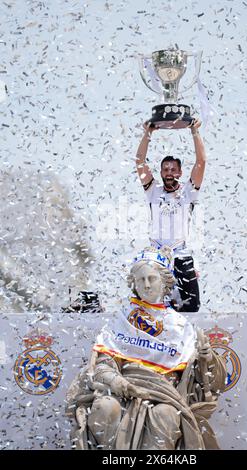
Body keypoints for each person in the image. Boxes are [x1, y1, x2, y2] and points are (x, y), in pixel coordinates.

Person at [66, 246, 226, 450]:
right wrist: (119, 383)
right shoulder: (121, 320)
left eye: (152, 278)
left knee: (166, 415)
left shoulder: (181, 326)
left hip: (165, 395)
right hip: (123, 391)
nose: (147, 285)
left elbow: (207, 381)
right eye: (141, 280)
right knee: (104, 408)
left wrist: (206, 357)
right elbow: (102, 365)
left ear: (165, 282)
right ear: (133, 284)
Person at [135, 119, 206, 312]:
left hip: (180, 254)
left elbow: (201, 162)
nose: (169, 173)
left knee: (192, 306)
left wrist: (194, 131)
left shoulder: (188, 192)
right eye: (165, 169)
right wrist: (147, 134)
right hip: (156, 255)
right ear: (160, 172)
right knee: (145, 304)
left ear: (180, 172)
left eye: (173, 169)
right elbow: (140, 162)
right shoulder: (153, 190)